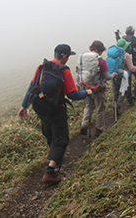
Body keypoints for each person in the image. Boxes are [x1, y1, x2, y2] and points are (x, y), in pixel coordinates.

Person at [18, 44, 92, 185]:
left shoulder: (41, 67)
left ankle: (54, 159)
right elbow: (72, 94)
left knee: (50, 134)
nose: (68, 59)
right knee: (61, 138)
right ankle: (50, 172)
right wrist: (86, 92)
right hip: (57, 108)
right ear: (64, 55)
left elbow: (32, 86)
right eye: (68, 56)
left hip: (41, 109)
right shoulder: (64, 71)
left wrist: (24, 106)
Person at [80, 40, 117, 138]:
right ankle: (99, 129)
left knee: (89, 106)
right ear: (97, 50)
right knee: (100, 108)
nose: (101, 54)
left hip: (86, 87)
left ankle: (84, 124)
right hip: (99, 89)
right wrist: (114, 74)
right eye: (101, 51)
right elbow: (107, 77)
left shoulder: (82, 59)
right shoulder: (101, 61)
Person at [112, 38, 136, 115]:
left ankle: (114, 107)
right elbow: (132, 68)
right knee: (124, 91)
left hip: (114, 75)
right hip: (124, 77)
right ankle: (118, 105)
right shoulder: (126, 55)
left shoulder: (114, 54)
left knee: (116, 92)